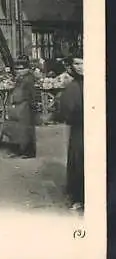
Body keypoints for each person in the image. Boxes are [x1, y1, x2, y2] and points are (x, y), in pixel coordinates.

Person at [59, 56, 84, 211]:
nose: (79, 67)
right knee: (78, 160)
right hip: (79, 128)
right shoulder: (73, 86)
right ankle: (79, 197)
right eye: (76, 63)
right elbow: (66, 112)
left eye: (82, 62)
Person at [4, 56, 37, 158]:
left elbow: (32, 94)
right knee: (17, 129)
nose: (19, 71)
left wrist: (32, 105)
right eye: (17, 69)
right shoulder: (20, 78)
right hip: (18, 105)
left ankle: (29, 152)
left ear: (27, 69)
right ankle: (18, 150)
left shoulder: (29, 79)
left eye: (21, 69)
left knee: (26, 130)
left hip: (25, 105)